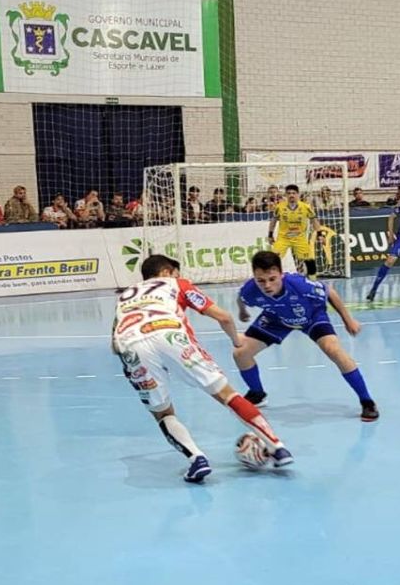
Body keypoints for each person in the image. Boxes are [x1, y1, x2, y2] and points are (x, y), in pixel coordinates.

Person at [111, 255, 293, 483]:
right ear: (167, 272)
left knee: (162, 412)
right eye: (177, 272)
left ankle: (196, 459)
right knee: (226, 394)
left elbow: (113, 344)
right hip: (169, 333)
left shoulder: (124, 297)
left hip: (130, 343)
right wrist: (237, 341)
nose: (180, 276)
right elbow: (223, 316)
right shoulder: (177, 284)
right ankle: (277, 447)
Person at [233, 251, 378, 421]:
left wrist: (348, 320)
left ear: (281, 274)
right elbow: (241, 298)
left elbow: (330, 293)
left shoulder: (299, 284)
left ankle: (367, 401)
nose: (267, 285)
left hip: (311, 316)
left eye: (272, 279)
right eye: (261, 281)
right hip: (277, 318)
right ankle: (257, 394)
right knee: (240, 353)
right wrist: (242, 312)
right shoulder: (250, 290)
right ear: (254, 278)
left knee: (334, 350)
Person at [268, 184, 325, 279]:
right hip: (283, 238)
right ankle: (273, 279)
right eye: (289, 193)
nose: (291, 195)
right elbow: (273, 220)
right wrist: (270, 234)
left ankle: (313, 281)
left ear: (298, 195)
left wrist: (320, 234)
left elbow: (314, 220)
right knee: (273, 259)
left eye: (294, 193)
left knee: (309, 260)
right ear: (286, 195)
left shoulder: (306, 207)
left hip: (299, 238)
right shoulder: (280, 207)